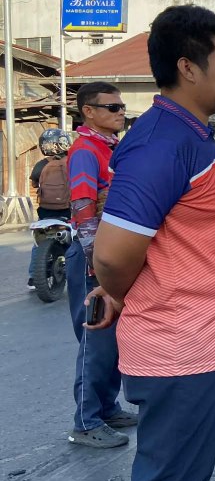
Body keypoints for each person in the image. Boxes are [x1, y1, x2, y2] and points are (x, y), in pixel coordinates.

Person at [91, 5, 215, 481]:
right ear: (188, 67)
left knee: (182, 479)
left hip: (202, 343)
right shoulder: (161, 143)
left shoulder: (188, 135)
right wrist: (121, 290)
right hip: (181, 350)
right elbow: (111, 252)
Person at [65, 83, 136, 449]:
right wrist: (96, 258)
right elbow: (81, 206)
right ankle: (86, 421)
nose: (119, 112)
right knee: (96, 340)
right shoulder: (84, 151)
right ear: (88, 112)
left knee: (112, 340)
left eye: (121, 107)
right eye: (111, 107)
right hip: (93, 256)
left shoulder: (113, 149)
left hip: (110, 254)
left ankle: (107, 408)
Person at [27, 129, 72, 288]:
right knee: (84, 238)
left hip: (45, 212)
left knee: (39, 242)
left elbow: (34, 184)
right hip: (68, 211)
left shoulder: (41, 165)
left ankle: (33, 277)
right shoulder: (72, 161)